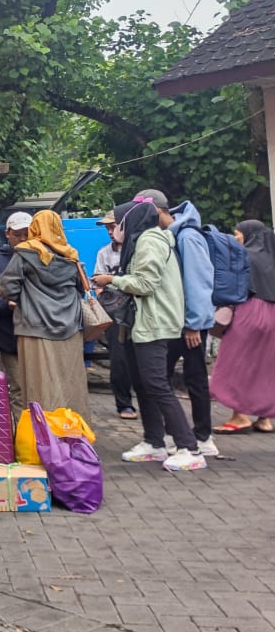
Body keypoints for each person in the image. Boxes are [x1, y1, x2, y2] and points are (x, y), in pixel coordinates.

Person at [93, 201, 206, 471]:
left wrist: (111, 280)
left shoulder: (149, 241)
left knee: (157, 384)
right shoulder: (139, 242)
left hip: (153, 324)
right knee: (142, 384)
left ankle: (189, 448)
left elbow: (145, 283)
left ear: (130, 222)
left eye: (117, 223)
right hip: (138, 324)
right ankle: (154, 442)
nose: (114, 229)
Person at [138, 189, 219, 458]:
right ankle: (172, 437)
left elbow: (197, 281)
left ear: (160, 212)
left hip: (189, 322)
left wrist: (194, 323)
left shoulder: (187, 236)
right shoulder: (172, 235)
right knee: (161, 378)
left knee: (193, 377)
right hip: (177, 320)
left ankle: (202, 437)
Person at [0, 210, 90, 423]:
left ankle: (44, 438)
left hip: (34, 330)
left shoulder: (25, 253)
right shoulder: (71, 255)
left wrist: (24, 299)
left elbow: (7, 287)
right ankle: (74, 435)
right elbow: (81, 289)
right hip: (70, 330)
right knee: (71, 385)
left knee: (39, 387)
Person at [211, 220, 275, 434]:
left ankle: (239, 416)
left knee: (235, 363)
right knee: (265, 367)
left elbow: (235, 287)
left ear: (248, 235)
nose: (236, 238)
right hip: (272, 314)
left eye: (237, 234)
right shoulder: (272, 256)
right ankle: (264, 419)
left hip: (248, 311)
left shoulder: (244, 255)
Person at [0, 211, 32, 421]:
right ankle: (23, 438)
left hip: (38, 337)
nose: (22, 239)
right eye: (18, 234)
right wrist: (8, 305)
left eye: (27, 234)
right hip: (10, 337)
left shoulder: (42, 258)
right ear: (8, 234)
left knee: (41, 389)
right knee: (18, 389)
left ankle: (46, 438)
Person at [94, 208, 136, 419]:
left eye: (114, 226)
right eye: (108, 228)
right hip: (115, 312)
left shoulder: (138, 251)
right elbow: (97, 282)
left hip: (137, 311)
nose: (111, 231)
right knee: (118, 359)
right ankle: (124, 404)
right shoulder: (104, 253)